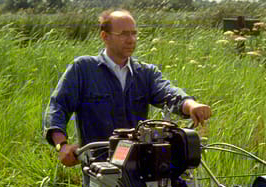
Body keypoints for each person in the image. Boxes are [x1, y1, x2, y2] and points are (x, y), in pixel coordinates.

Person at [43, 10, 212, 167]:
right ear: (105, 36)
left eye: (134, 33)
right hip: (99, 169)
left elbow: (167, 92)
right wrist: (62, 146)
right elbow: (58, 106)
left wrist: (191, 105)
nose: (131, 39)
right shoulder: (83, 69)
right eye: (124, 34)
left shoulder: (145, 73)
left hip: (140, 167)